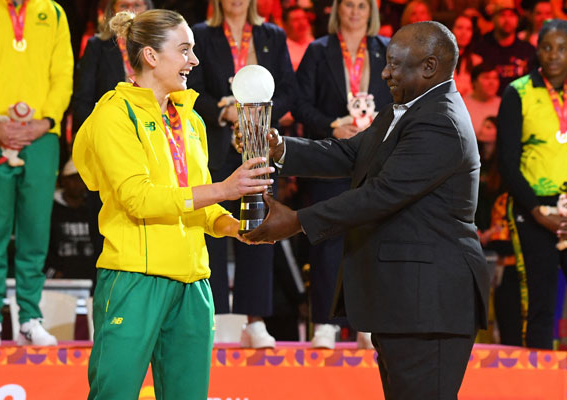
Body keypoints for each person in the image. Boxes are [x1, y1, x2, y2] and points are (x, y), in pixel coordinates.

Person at [244, 21, 490, 399]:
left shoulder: (440, 122)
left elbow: (380, 195)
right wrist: (281, 148)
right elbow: (351, 153)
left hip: (430, 306)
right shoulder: (408, 108)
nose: (386, 72)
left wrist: (296, 221)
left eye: (393, 64)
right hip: (407, 304)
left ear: (428, 67)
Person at [72, 10, 273, 399]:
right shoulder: (114, 114)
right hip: (134, 279)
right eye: (184, 50)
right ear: (150, 56)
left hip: (195, 283)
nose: (193, 61)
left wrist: (237, 226)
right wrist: (223, 190)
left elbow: (199, 200)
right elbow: (138, 198)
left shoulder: (190, 118)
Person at [0, 0, 74, 346]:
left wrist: (47, 119)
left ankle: (29, 317)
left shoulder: (52, 12)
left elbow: (63, 71)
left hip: (41, 137)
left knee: (35, 232)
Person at [188, 0, 296, 348]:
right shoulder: (201, 35)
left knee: (258, 229)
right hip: (216, 146)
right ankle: (216, 318)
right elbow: (190, 88)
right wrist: (225, 111)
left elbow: (289, 90)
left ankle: (255, 321)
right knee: (214, 229)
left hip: (260, 148)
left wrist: (255, 112)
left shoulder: (272, 35)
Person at [293, 0, 393, 349]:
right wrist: (333, 126)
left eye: (362, 5)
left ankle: (368, 322)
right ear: (338, 10)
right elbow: (300, 101)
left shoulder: (387, 49)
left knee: (372, 238)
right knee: (328, 238)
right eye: (348, 4)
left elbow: (402, 98)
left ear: (371, 11)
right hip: (331, 156)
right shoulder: (319, 50)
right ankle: (326, 322)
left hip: (377, 157)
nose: (354, 11)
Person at [497, 19, 567, 349]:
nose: (553, 55)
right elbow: (506, 163)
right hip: (534, 210)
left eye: (561, 48)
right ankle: (542, 387)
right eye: (547, 47)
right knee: (540, 305)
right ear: (538, 52)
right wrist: (537, 211)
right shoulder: (518, 92)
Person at [72, 0, 153, 130]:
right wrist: (102, 130)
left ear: (147, 9)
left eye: (137, 5)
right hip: (108, 128)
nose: (130, 11)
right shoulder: (97, 46)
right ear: (113, 11)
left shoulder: (160, 46)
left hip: (151, 127)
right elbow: (82, 103)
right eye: (124, 6)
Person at [45, 159, 98, 282]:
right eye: (73, 179)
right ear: (63, 180)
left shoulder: (93, 210)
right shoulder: (50, 210)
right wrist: (52, 272)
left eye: (81, 179)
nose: (78, 183)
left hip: (92, 281)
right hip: (59, 283)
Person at [475, 0, 536, 93]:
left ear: (517, 20)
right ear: (493, 19)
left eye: (511, 15)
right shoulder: (481, 48)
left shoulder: (528, 50)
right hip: (488, 103)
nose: (507, 20)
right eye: (502, 15)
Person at [463, 63, 501, 135]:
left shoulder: (503, 104)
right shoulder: (462, 106)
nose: (492, 82)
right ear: (474, 82)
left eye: (495, 78)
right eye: (486, 78)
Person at [452, 14, 483, 97]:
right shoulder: (439, 59)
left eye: (468, 29)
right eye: (459, 28)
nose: (464, 33)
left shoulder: (477, 61)